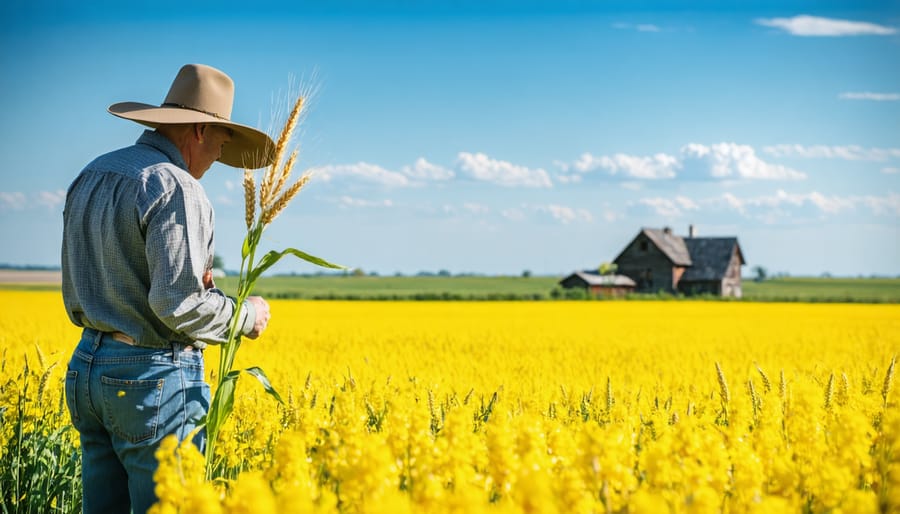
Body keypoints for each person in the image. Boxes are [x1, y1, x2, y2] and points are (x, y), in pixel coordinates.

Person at [61, 63, 274, 514]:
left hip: (86, 369)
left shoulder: (93, 173)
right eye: (220, 142)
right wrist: (246, 315)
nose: (218, 157)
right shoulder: (175, 186)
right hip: (151, 378)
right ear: (199, 130)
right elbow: (178, 303)